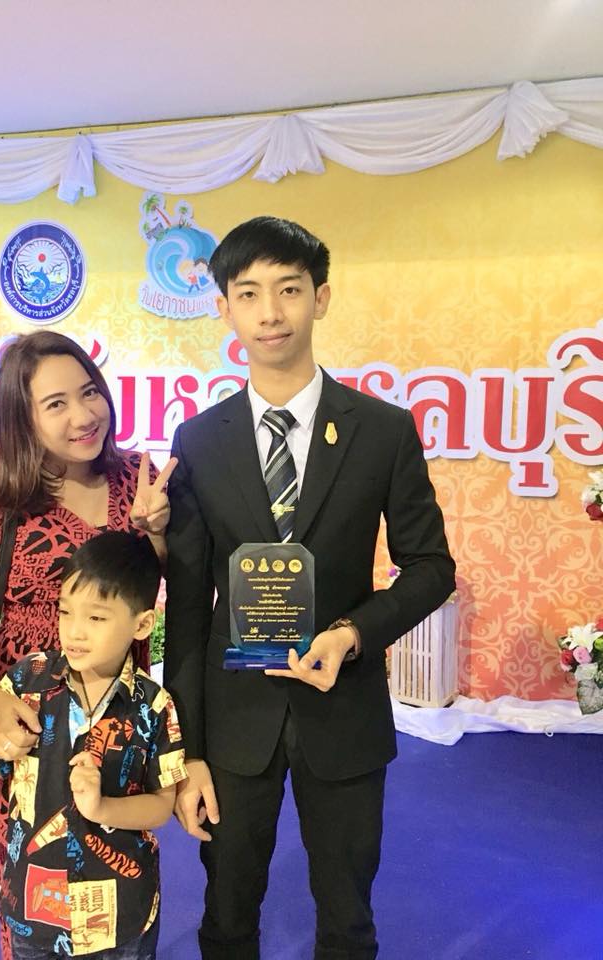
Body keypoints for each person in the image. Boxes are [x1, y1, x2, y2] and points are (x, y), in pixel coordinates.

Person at [163, 216, 456, 959]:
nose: (270, 312)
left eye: (289, 290)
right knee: (227, 911)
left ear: (320, 298)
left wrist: (354, 633)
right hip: (234, 719)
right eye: (249, 293)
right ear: (224, 307)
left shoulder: (383, 431)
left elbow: (431, 567)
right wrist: (187, 751)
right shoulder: (199, 440)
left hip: (344, 707)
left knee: (348, 916)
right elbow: (189, 608)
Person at [0, 330, 177, 960]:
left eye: (89, 393)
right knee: (29, 889)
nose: (84, 415)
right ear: (22, 418)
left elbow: (168, 587)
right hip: (23, 729)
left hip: (118, 724)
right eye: (56, 404)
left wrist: (158, 535)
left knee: (118, 867)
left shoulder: (138, 483)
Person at [0, 531, 187, 959]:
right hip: (33, 908)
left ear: (141, 624)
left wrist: (102, 808)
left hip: (119, 914)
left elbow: (160, 806)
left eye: (96, 617)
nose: (74, 631)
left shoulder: (154, 706)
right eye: (65, 612)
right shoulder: (27, 680)